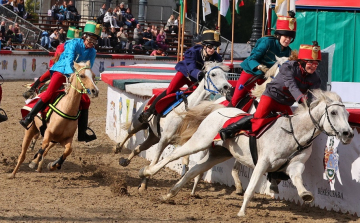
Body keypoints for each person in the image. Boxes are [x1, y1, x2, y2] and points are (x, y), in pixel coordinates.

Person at [219, 41, 322, 140]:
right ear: (302, 62)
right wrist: (302, 99)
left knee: (291, 125)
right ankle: (229, 130)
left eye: (316, 64)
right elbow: (292, 86)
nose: (313, 66)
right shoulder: (288, 67)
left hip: (284, 103)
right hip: (271, 97)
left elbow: (314, 95)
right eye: (310, 63)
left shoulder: (316, 78)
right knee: (257, 121)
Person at [20, 21, 101, 143]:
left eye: (95, 41)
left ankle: (82, 132)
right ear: (84, 36)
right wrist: (72, 75)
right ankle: (29, 117)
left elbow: (88, 67)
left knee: (86, 100)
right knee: (49, 93)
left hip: (76, 76)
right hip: (62, 71)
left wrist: (87, 81)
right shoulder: (73, 43)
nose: (92, 43)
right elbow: (68, 61)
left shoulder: (93, 52)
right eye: (90, 39)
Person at [138, 30, 222, 123]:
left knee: (198, 95)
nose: (212, 50)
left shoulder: (217, 58)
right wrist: (200, 74)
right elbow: (191, 69)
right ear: (204, 46)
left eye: (214, 47)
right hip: (185, 73)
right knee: (170, 90)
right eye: (210, 47)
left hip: (196, 79)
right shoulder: (192, 52)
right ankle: (148, 112)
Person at [229, 12, 297, 108]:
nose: (288, 40)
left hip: (267, 79)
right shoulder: (267, 42)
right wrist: (261, 67)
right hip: (251, 73)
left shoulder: (288, 52)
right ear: (278, 35)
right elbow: (252, 59)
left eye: (290, 38)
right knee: (236, 99)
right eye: (286, 37)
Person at [23, 27, 82, 100]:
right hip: (59, 68)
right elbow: (56, 59)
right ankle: (31, 90)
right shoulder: (62, 46)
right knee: (43, 77)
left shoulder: (81, 50)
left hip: (72, 71)